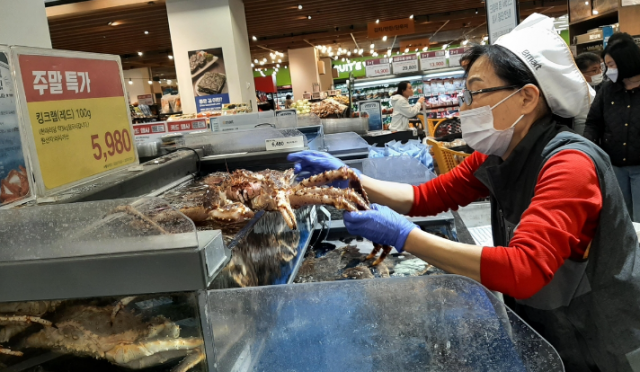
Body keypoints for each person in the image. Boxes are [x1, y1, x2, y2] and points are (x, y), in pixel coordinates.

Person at [288, 14, 640, 372]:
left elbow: (525, 267)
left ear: (527, 97)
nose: (465, 106)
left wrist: (404, 236)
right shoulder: (499, 155)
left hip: (602, 335)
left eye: (476, 92)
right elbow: (427, 196)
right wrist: (349, 178)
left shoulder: (570, 165)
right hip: (551, 323)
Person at [584, 33, 640, 222]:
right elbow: (594, 121)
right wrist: (587, 146)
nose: (608, 71)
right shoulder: (608, 90)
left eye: (611, 65)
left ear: (627, 62)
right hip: (614, 166)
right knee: (621, 220)